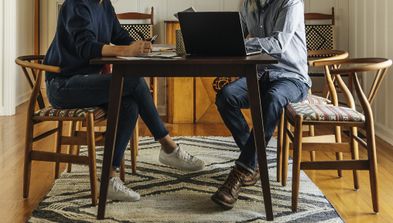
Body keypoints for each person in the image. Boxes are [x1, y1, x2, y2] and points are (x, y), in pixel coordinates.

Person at [44, 0, 204, 202]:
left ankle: (109, 178)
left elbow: (118, 35)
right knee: (134, 82)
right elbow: (86, 48)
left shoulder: (104, 4)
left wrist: (140, 46)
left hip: (86, 83)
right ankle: (168, 146)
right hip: (63, 85)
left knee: (129, 105)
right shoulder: (76, 4)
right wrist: (125, 51)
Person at [211, 0, 311, 209]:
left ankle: (240, 172)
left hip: (292, 78)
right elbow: (234, 37)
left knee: (273, 98)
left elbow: (278, 44)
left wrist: (242, 44)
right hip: (260, 74)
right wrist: (218, 41)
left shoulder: (291, 3)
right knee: (226, 97)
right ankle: (252, 164)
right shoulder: (247, 5)